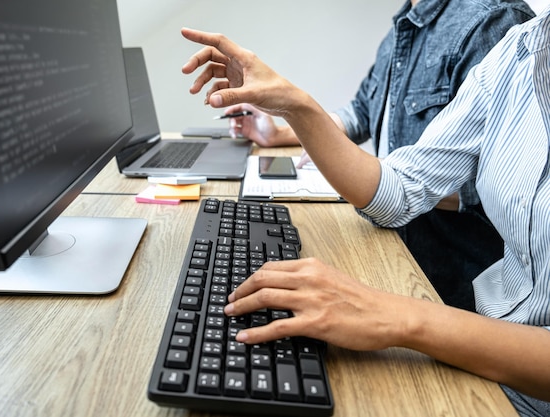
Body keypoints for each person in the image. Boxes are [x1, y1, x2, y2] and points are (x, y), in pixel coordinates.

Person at [180, 5, 550, 415]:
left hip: (458, 311)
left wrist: (401, 315)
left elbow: (459, 191)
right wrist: (292, 108)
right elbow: (397, 182)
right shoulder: (516, 51)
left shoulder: (490, 21)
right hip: (475, 345)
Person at [219, 0, 535, 312]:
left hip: (450, 279)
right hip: (389, 243)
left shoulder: (493, 21)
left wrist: (369, 170)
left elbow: (490, 183)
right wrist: (279, 133)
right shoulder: (401, 29)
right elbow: (360, 113)